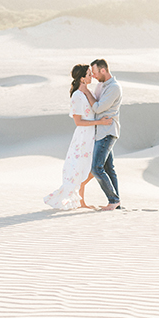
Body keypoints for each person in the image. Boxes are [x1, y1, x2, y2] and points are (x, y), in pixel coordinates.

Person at [44, 64, 113, 210]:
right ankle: (80, 200)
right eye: (88, 74)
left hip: (92, 134)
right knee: (86, 168)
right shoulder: (77, 96)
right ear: (82, 78)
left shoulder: (87, 93)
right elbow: (78, 121)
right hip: (83, 137)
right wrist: (100, 122)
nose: (91, 76)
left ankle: (81, 201)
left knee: (90, 167)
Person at [79, 58, 122, 211]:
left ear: (103, 70)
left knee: (97, 168)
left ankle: (113, 199)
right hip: (99, 132)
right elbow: (94, 104)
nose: (95, 76)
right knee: (109, 169)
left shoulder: (114, 88)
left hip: (107, 132)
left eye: (96, 73)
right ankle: (116, 203)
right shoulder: (100, 86)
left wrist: (86, 91)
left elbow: (97, 107)